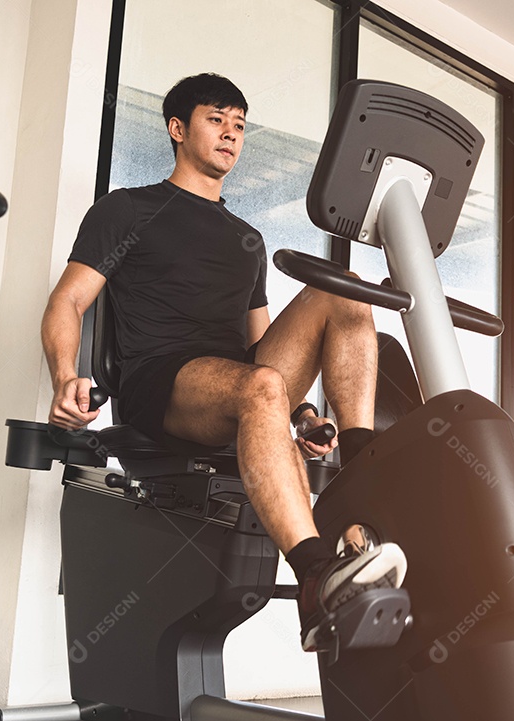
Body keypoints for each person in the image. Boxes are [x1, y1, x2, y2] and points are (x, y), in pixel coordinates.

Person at [41, 73, 406, 652]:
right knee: (260, 386)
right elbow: (67, 301)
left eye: (239, 125)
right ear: (177, 128)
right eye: (216, 120)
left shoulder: (246, 238)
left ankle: (361, 470)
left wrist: (303, 414)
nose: (231, 134)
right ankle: (315, 576)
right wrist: (65, 377)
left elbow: (261, 343)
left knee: (344, 287)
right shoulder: (127, 209)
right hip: (164, 381)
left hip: (241, 381)